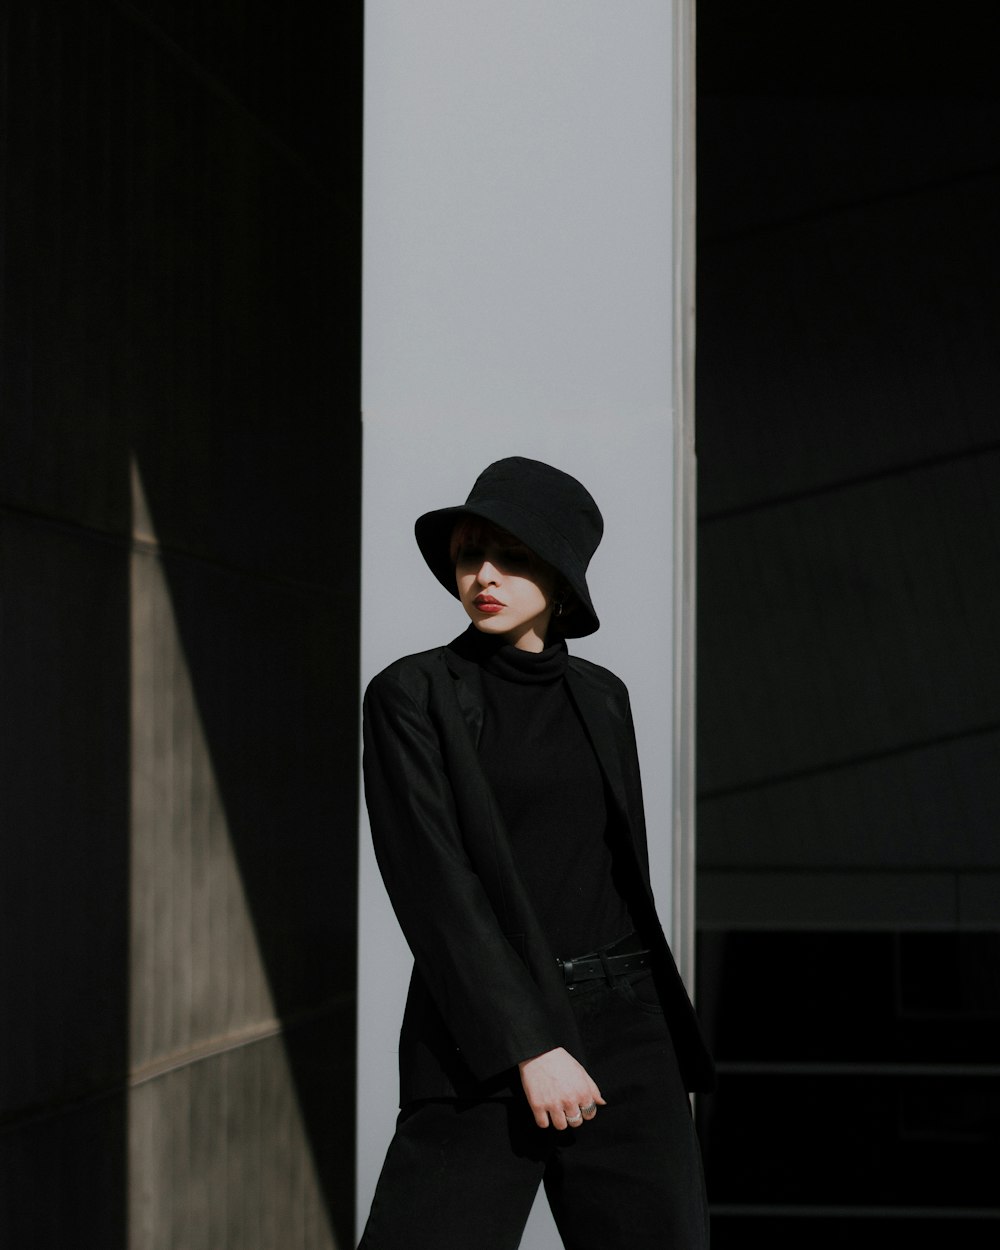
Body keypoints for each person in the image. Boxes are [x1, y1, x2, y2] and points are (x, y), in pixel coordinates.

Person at [359, 457, 714, 1250]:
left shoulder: (602, 696)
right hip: (480, 1041)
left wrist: (635, 1035)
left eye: (511, 556)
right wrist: (531, 1043)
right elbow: (434, 886)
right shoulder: (409, 695)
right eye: (467, 555)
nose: (483, 574)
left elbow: (617, 876)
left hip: (626, 1029)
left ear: (559, 574)